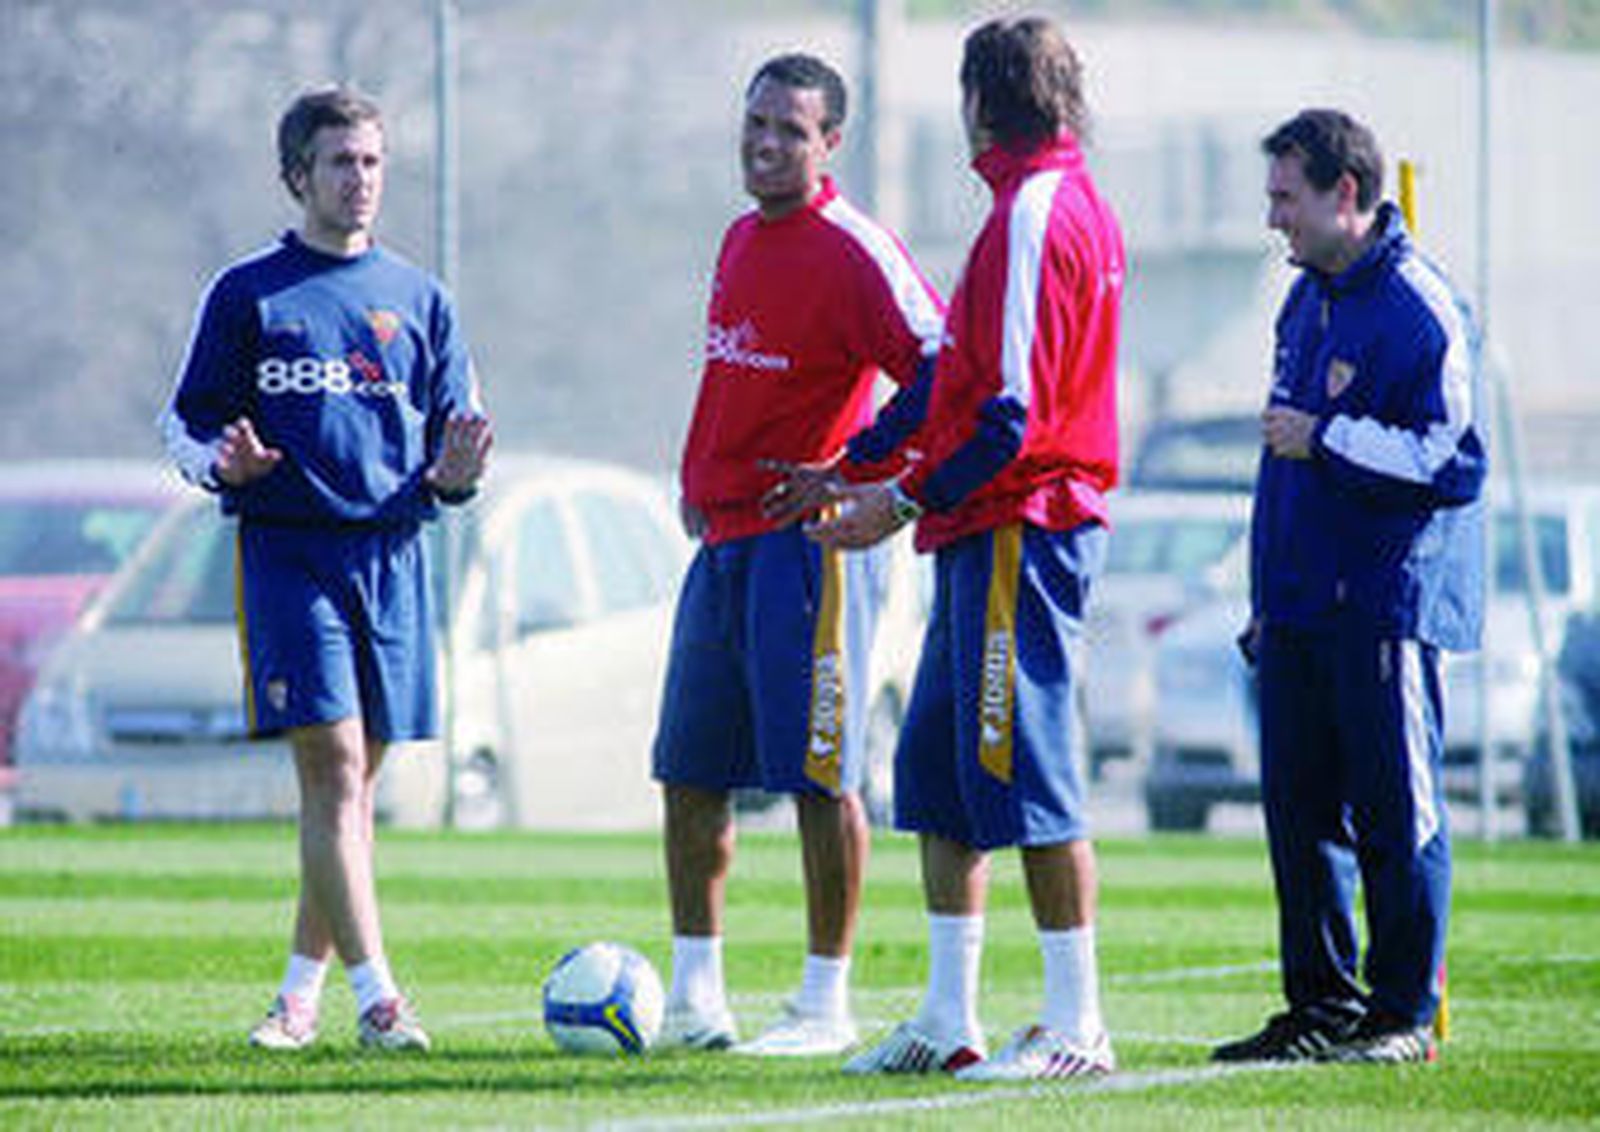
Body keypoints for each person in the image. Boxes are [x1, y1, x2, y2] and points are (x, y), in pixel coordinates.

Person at [802, 16, 1124, 1080]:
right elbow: (954, 377)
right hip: (972, 526)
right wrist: (857, 461)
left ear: (982, 99)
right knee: (938, 772)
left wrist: (894, 501)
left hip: (1021, 527)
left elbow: (1013, 413)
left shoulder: (1039, 210)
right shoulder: (1019, 207)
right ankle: (949, 1016)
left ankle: (1076, 1026)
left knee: (1025, 769)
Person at [160, 86, 491, 1053]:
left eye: (373, 162)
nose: (360, 181)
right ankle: (381, 1000)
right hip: (290, 553)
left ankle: (296, 996)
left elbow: (456, 437)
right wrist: (222, 464)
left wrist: (459, 478)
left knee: (347, 794)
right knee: (337, 772)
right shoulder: (248, 293)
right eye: (341, 162)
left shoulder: (424, 299)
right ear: (297, 174)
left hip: (395, 556)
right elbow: (183, 423)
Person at [651, 52, 944, 1057]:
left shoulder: (854, 248)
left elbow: (943, 365)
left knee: (820, 778)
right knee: (689, 774)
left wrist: (856, 469)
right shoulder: (740, 236)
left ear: (829, 143)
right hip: (723, 545)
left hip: (809, 554)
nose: (766, 143)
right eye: (756, 123)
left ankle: (824, 1003)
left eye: (790, 129)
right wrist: (699, 480)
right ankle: (697, 1002)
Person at [1213, 108, 1486, 1065]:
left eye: (1287, 198)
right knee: (1298, 813)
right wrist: (1265, 593)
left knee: (1396, 810)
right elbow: (1283, 463)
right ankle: (1322, 1008)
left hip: (1381, 606)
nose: (1274, 219)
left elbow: (1455, 459)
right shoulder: (1304, 297)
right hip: (1295, 606)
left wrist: (1327, 436)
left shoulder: (1418, 303)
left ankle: (1404, 1014)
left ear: (1344, 195)